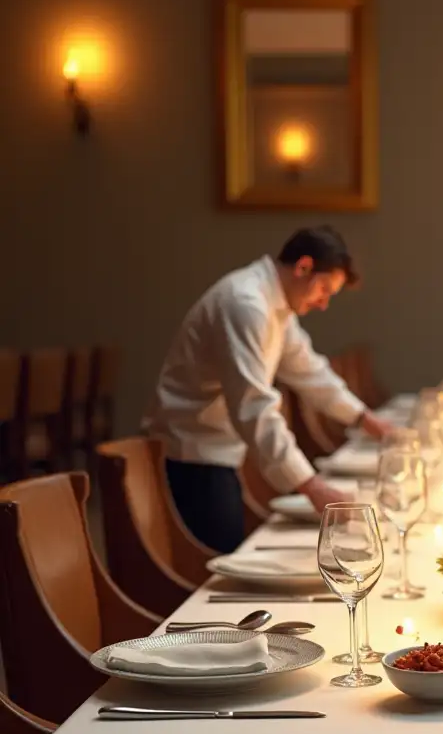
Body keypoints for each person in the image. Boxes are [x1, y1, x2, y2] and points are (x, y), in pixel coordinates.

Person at [145, 226, 391, 553]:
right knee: (218, 571)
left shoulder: (273, 305)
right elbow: (254, 407)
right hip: (192, 457)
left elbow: (310, 371)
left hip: (218, 453)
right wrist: (314, 488)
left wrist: (366, 420)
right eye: (324, 289)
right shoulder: (245, 304)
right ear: (303, 267)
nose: (323, 304)